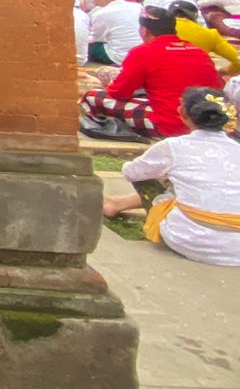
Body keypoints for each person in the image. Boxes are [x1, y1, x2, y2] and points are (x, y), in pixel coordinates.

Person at [102, 88, 240, 266]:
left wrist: (167, 172)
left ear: (182, 112)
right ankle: (117, 203)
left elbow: (131, 172)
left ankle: (116, 204)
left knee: (159, 178)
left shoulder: (173, 147)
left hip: (189, 239)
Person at [80, 8, 223, 138]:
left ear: (144, 30)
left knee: (91, 97)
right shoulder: (198, 51)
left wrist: (106, 85)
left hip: (169, 125)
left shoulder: (144, 52)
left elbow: (119, 93)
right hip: (206, 122)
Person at [85, 0, 142, 69]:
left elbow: (95, 37)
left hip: (119, 57)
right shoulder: (137, 6)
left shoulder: (101, 13)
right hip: (139, 53)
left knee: (88, 46)